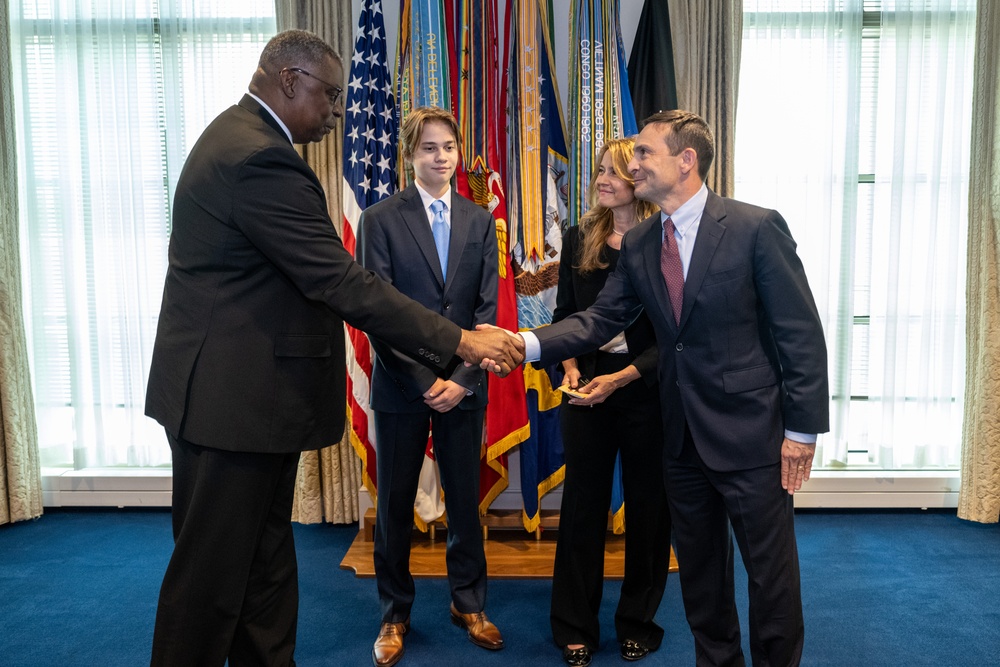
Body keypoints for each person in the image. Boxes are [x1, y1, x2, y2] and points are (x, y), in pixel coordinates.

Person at [144, 30, 520, 667]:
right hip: (230, 405)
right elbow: (339, 280)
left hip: (242, 405)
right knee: (210, 585)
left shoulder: (243, 139)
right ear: (290, 81)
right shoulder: (257, 158)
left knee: (261, 567)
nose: (337, 111)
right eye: (329, 95)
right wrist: (459, 340)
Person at [506, 110, 829, 666]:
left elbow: (799, 334)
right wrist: (523, 344)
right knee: (702, 579)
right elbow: (599, 320)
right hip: (678, 439)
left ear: (686, 161)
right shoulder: (640, 244)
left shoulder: (756, 227)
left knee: (769, 581)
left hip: (752, 437)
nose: (633, 164)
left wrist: (800, 432)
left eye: (644, 153)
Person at [358, 106, 504, 667]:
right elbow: (378, 313)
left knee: (465, 503)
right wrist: (425, 380)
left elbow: (487, 315)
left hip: (465, 389)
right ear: (409, 154)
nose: (439, 157)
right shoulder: (379, 219)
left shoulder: (480, 221)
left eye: (448, 147)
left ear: (458, 153)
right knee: (394, 504)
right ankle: (394, 613)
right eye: (428, 148)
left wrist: (461, 379)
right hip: (403, 388)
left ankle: (469, 604)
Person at [548, 138, 671, 667]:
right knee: (581, 509)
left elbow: (676, 334)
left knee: (649, 510)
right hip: (586, 388)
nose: (601, 180)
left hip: (646, 387)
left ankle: (637, 622)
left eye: (612, 172)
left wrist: (622, 378)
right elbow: (565, 314)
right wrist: (569, 366)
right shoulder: (579, 236)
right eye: (598, 170)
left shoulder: (666, 240)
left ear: (638, 179)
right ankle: (574, 626)